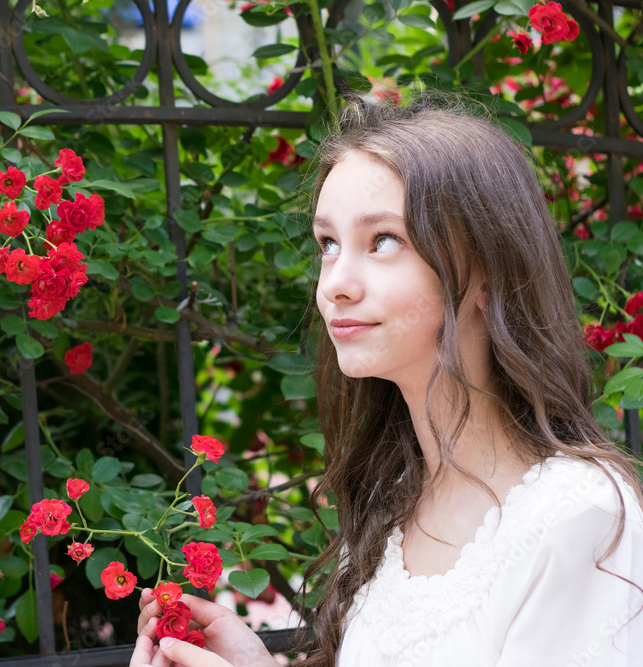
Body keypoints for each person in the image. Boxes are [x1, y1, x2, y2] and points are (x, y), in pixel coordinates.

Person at [130, 93, 643, 667]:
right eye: (328, 244)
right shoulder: (390, 497)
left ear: (489, 271)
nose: (335, 285)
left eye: (383, 241)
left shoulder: (577, 515)